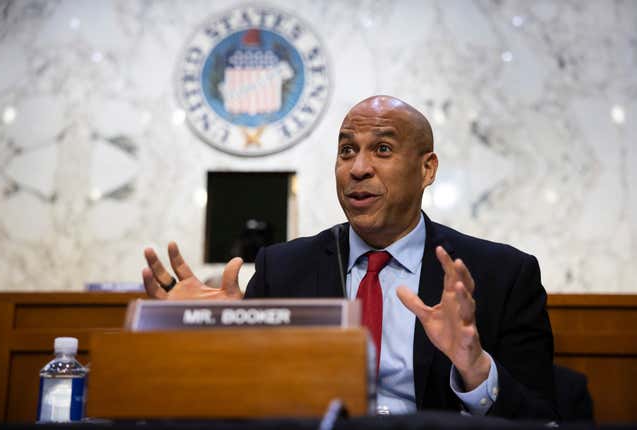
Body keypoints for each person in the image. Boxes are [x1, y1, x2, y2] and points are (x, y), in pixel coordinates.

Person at [142, 95, 556, 420]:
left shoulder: (503, 275)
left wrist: (475, 366)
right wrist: (210, 334)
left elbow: (542, 417)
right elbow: (243, 402)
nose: (358, 168)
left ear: (427, 169)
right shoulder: (282, 269)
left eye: (381, 149)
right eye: (346, 150)